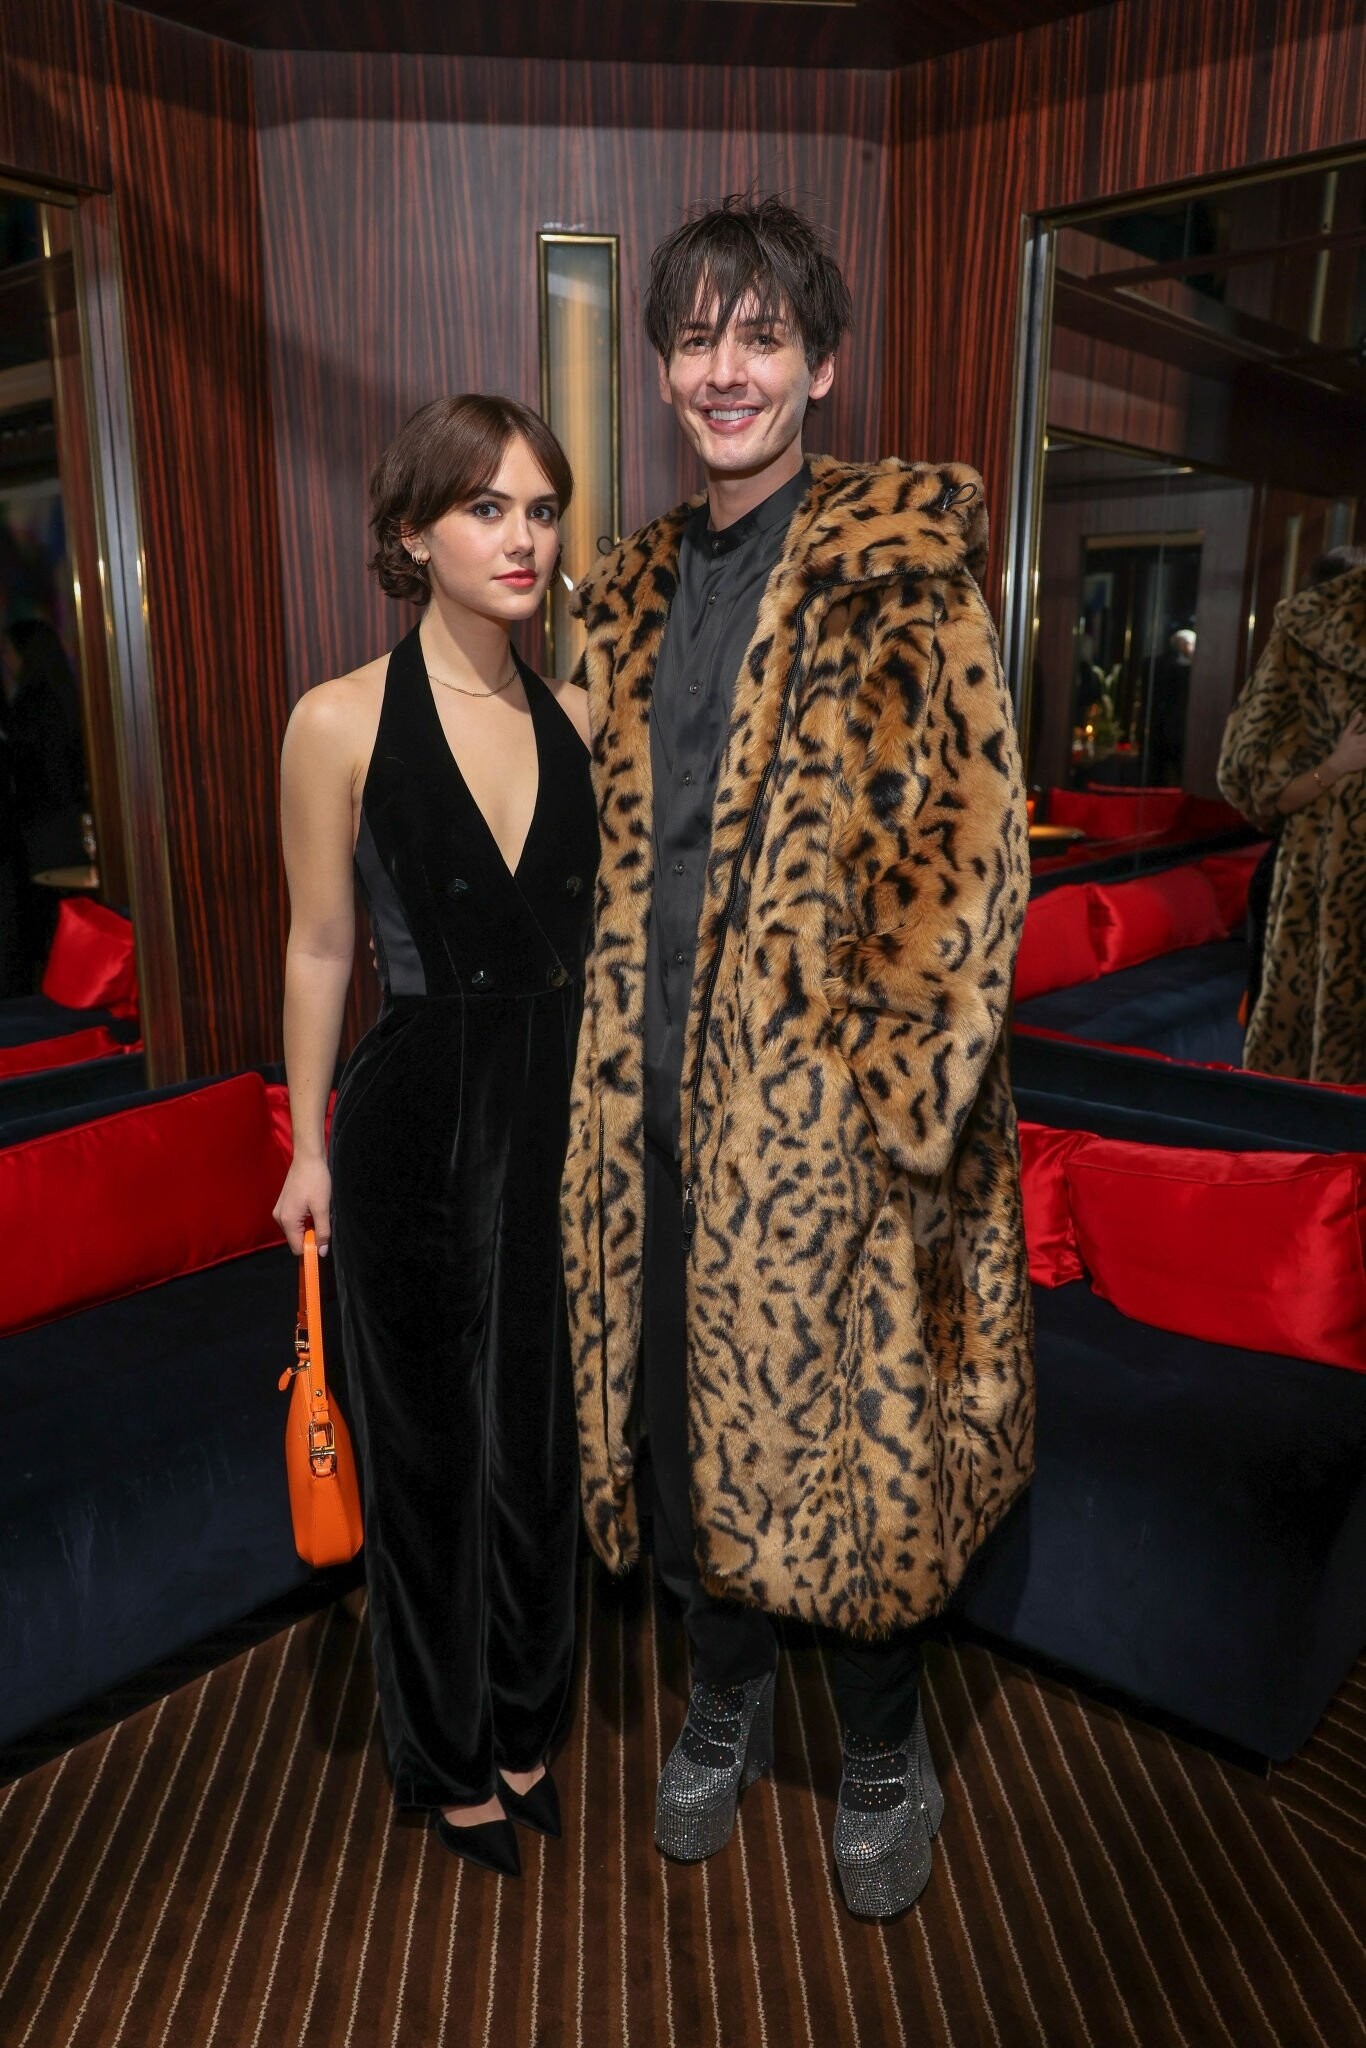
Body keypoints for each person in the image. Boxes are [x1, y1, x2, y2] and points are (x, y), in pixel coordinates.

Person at [561, 195, 1033, 1920]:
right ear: (662, 372)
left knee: (858, 1448)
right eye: (695, 338)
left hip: (834, 1128)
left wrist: (881, 1104)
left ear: (821, 366)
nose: (725, 370)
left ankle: (885, 1747)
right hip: (647, 1105)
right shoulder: (621, 596)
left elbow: (965, 850)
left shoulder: (900, 569)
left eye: (761, 336)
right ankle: (723, 1692)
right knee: (682, 1434)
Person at [273, 395, 596, 1879]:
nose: (522, 537)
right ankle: (448, 1754)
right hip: (406, 1129)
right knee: (426, 1456)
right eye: (485, 507)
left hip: (553, 1129)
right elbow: (319, 945)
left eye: (541, 509)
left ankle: (525, 1721)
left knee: (537, 1442)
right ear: (412, 533)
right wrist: (307, 1148)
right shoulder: (337, 719)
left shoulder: (575, 720)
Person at [1218, 546, 1366, 1084]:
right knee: (1284, 1045)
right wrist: (1337, 765)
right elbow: (1254, 784)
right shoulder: (1298, 658)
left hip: (1321, 891)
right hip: (1299, 885)